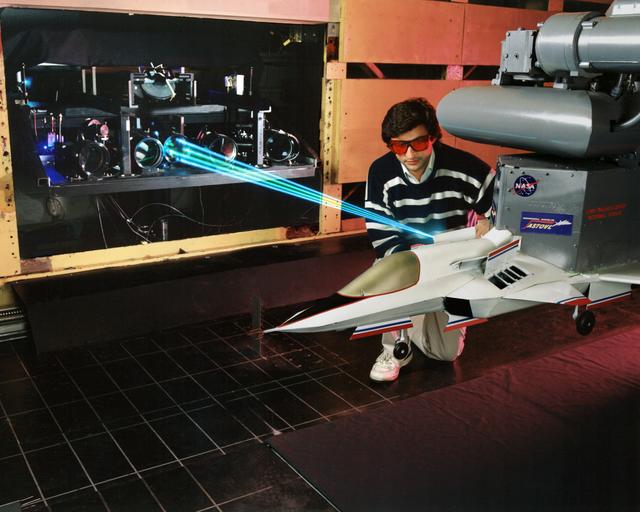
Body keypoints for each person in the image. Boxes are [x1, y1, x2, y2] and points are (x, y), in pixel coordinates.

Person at [364, 97, 494, 382]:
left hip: (450, 259)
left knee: (444, 354)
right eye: (400, 146)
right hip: (405, 255)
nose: (409, 154)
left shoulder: (464, 166)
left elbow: (501, 199)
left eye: (419, 143)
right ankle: (394, 348)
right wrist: (406, 261)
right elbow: (379, 229)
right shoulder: (381, 171)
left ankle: (417, 320)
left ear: (433, 137)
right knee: (385, 271)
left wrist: (489, 220)